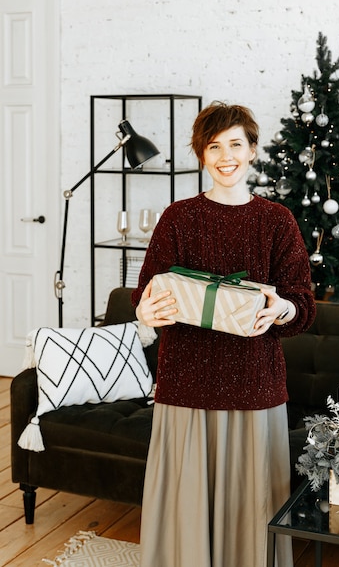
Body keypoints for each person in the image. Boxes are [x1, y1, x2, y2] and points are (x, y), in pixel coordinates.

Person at [132, 101, 316, 567]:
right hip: (186, 385)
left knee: (254, 505)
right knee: (185, 504)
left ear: (252, 150)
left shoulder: (277, 221)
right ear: (202, 155)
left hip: (256, 386)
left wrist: (284, 308)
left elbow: (303, 305)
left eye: (236, 144)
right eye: (214, 146)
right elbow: (147, 292)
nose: (225, 156)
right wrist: (145, 312)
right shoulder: (177, 217)